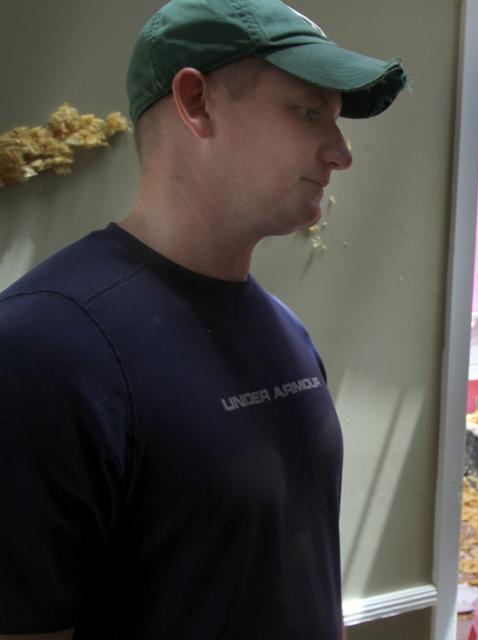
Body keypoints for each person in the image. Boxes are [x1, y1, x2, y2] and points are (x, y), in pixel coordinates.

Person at [0, 1, 406, 638]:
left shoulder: (286, 331)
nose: (341, 152)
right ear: (196, 102)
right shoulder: (45, 349)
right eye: (307, 111)